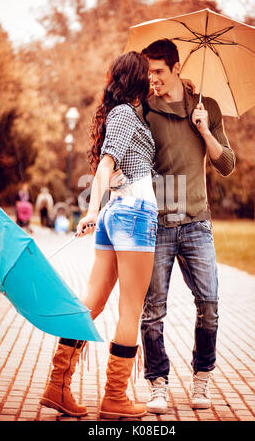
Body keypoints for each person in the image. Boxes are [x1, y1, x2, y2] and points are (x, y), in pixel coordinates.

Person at [40, 51, 158, 419]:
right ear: (136, 78)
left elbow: (114, 165)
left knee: (92, 301)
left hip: (116, 214)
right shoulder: (125, 113)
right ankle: (116, 397)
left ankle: (57, 385)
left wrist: (100, 212)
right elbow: (107, 165)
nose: (153, 79)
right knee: (130, 309)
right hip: (134, 214)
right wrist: (91, 211)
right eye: (148, 74)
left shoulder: (121, 114)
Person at [135, 39, 235, 412]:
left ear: (176, 68)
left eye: (159, 71)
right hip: (157, 223)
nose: (153, 79)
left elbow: (226, 165)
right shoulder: (144, 109)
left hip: (196, 223)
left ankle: (201, 378)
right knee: (153, 309)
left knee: (209, 302)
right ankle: (157, 382)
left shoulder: (206, 107)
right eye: (149, 72)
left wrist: (205, 131)